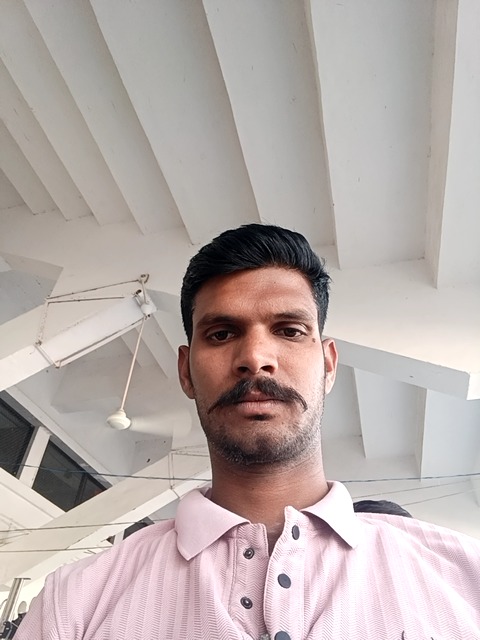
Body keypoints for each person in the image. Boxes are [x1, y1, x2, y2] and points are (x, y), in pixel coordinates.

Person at [17, 224, 480, 639]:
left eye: (290, 330)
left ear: (328, 365)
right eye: (221, 333)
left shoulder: (463, 577)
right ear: (185, 371)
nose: (255, 357)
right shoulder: (75, 602)